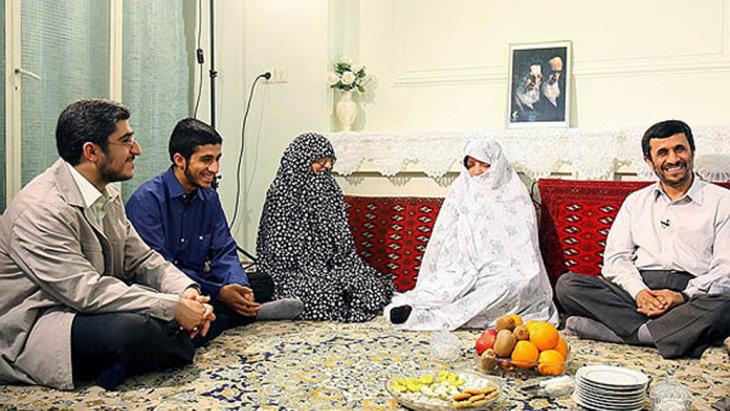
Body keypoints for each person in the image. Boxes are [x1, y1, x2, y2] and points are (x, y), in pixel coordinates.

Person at [0, 100, 215, 391]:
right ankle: (166, 341)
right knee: (134, 330)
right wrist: (171, 307)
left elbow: (142, 260)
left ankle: (135, 356)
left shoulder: (107, 193)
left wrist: (185, 292)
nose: (136, 150)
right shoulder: (41, 209)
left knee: (194, 304)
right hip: (41, 321)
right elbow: (85, 291)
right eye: (126, 141)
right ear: (91, 152)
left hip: (89, 307)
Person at [556, 120, 730, 359]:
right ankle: (668, 334)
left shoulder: (722, 201)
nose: (673, 159)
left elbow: (725, 269)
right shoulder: (635, 201)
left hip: (692, 294)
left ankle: (620, 333)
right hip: (638, 290)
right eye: (662, 152)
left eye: (679, 149)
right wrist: (640, 292)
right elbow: (616, 260)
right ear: (649, 161)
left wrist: (682, 296)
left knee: (726, 304)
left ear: (692, 151)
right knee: (567, 286)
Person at [126, 118, 302, 341]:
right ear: (180, 160)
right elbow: (159, 269)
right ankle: (244, 314)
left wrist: (238, 285)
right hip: (167, 287)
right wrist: (219, 292)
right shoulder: (147, 201)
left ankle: (232, 311)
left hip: (202, 280)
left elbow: (224, 250)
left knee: (262, 281)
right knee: (177, 310)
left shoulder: (209, 196)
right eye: (206, 160)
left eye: (217, 159)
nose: (215, 169)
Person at [384, 139, 558, 330]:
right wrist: (462, 265)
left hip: (504, 271)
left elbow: (526, 248)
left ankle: (431, 318)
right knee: (445, 286)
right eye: (471, 165)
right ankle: (412, 309)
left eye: (484, 164)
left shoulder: (515, 194)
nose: (477, 170)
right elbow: (443, 235)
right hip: (463, 266)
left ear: (497, 165)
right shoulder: (461, 190)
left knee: (510, 287)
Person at [256, 132, 394, 322]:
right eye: (321, 160)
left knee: (367, 283)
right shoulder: (280, 193)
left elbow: (342, 238)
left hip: (332, 265)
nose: (328, 166)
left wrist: (338, 265)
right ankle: (275, 309)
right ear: (301, 161)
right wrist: (313, 267)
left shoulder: (330, 189)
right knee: (320, 290)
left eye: (330, 160)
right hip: (293, 270)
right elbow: (278, 249)